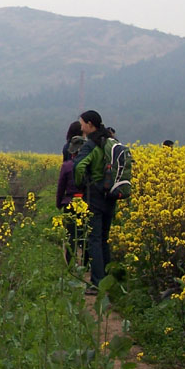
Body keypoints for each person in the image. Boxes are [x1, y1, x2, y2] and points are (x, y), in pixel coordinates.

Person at [74, 110, 117, 289]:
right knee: (104, 238)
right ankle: (108, 280)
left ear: (90, 124)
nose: (81, 127)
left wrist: (80, 184)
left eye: (82, 123)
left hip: (96, 195)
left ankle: (98, 282)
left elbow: (79, 166)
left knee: (94, 239)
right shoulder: (110, 141)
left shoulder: (91, 144)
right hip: (112, 195)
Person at [56, 135, 87, 264]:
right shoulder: (89, 165)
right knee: (86, 233)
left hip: (69, 203)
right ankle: (86, 262)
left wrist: (59, 203)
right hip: (86, 203)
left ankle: (71, 262)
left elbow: (61, 187)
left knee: (71, 234)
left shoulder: (67, 166)